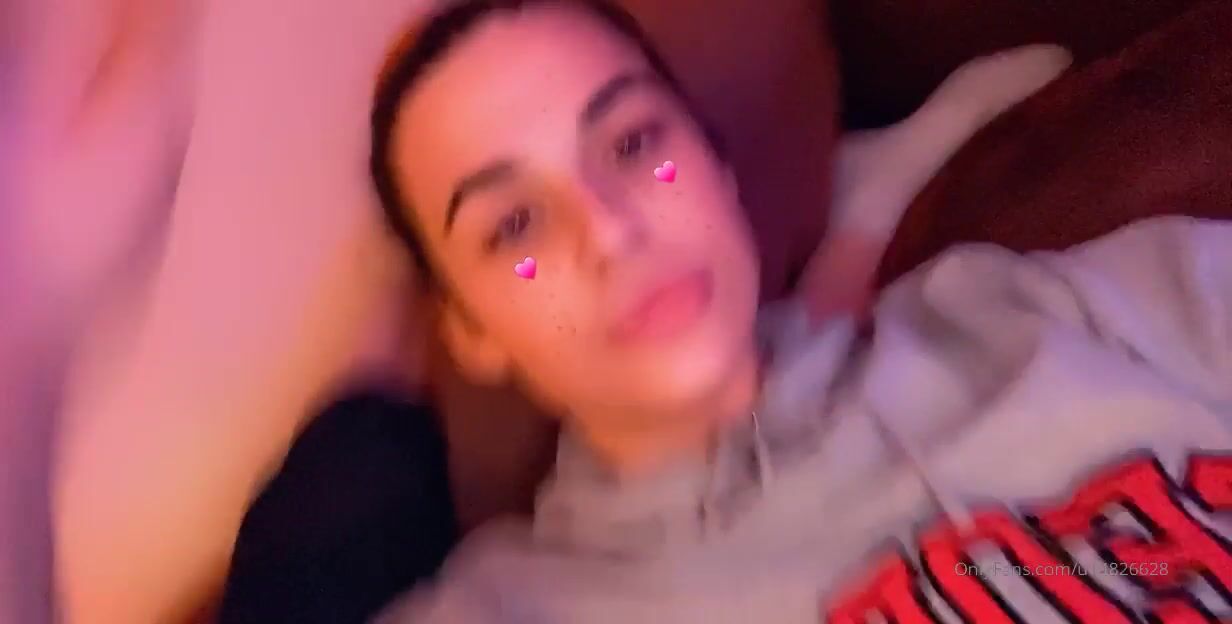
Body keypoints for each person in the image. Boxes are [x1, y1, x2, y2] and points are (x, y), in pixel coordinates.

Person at [369, 0, 1232, 621]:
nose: (610, 230)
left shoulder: (1021, 311)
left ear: (717, 167)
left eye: (632, 143)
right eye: (514, 225)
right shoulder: (521, 605)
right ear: (471, 334)